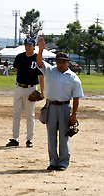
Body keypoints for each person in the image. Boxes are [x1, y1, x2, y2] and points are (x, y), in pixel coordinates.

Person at [37, 37, 84, 171]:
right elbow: (39, 63)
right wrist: (40, 50)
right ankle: (53, 161)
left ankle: (63, 162)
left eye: (63, 62)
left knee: (64, 136)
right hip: (51, 106)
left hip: (65, 107)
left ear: (68, 63)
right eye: (58, 61)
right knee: (51, 135)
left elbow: (76, 97)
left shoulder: (73, 78)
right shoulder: (50, 71)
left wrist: (74, 114)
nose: (60, 64)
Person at [6, 37, 45, 148]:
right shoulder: (20, 57)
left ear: (34, 46)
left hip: (31, 88)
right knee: (16, 114)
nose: (27, 47)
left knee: (30, 115)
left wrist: (42, 92)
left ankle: (29, 139)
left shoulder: (37, 58)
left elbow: (41, 76)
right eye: (26, 45)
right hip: (19, 88)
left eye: (30, 45)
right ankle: (15, 138)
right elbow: (17, 69)